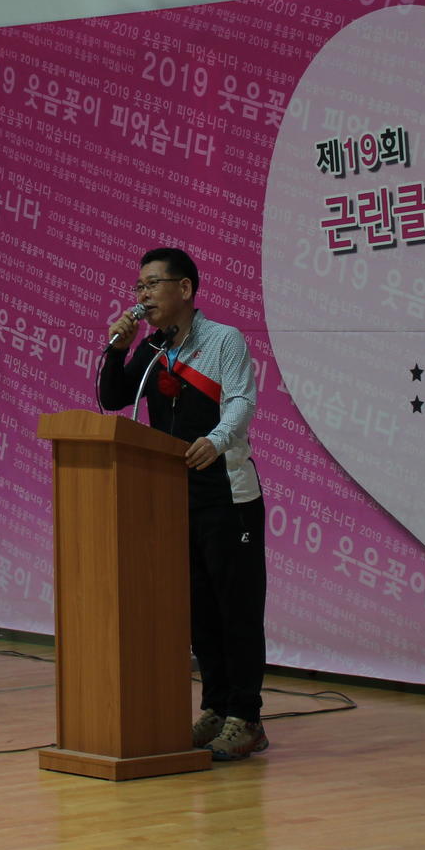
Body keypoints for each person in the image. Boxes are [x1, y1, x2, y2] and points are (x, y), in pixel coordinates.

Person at [100, 247, 268, 761]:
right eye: (139, 287)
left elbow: (241, 400)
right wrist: (118, 350)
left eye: (152, 284)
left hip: (227, 494)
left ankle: (246, 716)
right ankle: (215, 707)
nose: (143, 295)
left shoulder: (223, 340)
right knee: (199, 611)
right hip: (175, 497)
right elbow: (110, 399)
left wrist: (215, 441)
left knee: (236, 609)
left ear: (186, 289)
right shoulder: (154, 349)